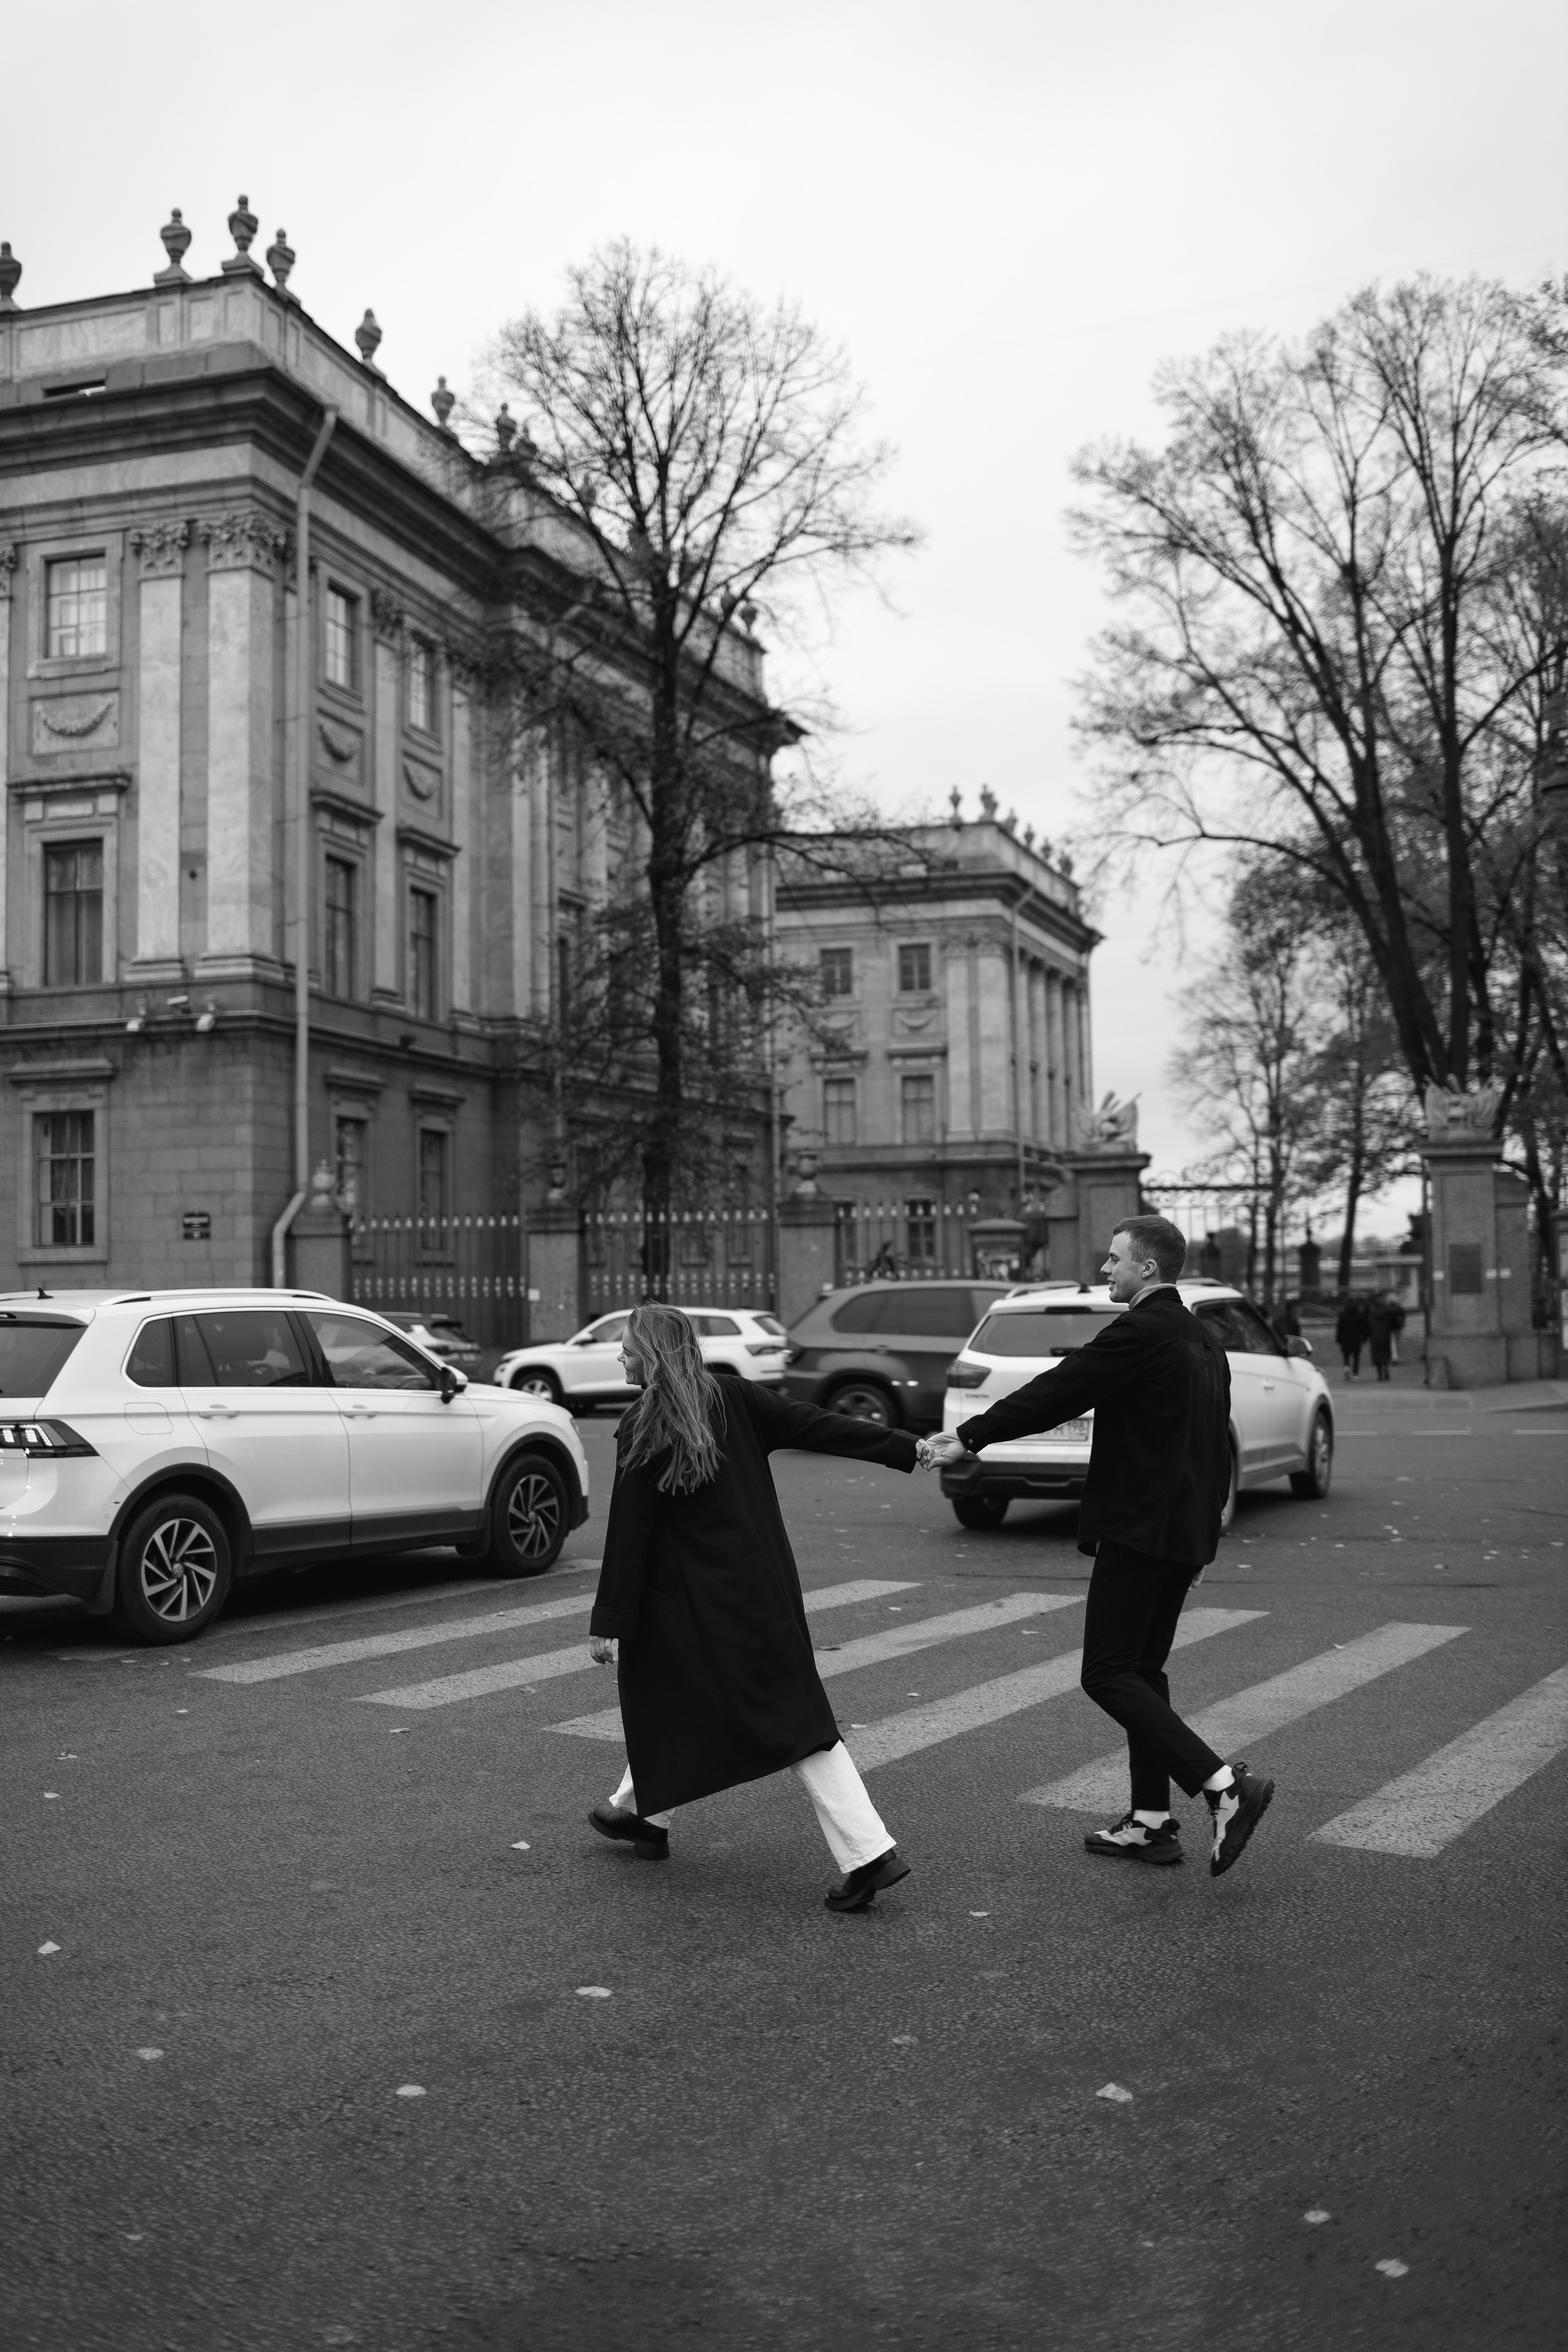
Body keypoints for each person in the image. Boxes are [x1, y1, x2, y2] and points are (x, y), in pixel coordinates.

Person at [921, 1216, 1274, 1876]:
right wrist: (1202, 1541)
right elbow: (1211, 1443)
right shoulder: (1203, 1340)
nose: (1104, 1270)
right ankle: (1149, 1822)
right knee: (1142, 1673)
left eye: (1114, 1260)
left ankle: (1224, 1788)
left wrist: (968, 1437)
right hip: (1181, 1533)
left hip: (1138, 1530)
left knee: (1107, 1673)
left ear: (1146, 1268)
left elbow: (1060, 1392)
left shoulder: (1140, 1331)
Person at [586, 1302, 916, 1914]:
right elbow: (822, 1426)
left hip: (688, 1611)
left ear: (650, 1354)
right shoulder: (737, 1398)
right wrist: (907, 1448)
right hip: (760, 1596)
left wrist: (610, 1622)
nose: (619, 1355)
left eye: (627, 1345)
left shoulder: (644, 1424)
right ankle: (640, 1816)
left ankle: (869, 1853)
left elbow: (628, 1534)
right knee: (674, 1702)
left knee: (796, 1729)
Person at [1335, 1295, 1368, 1381]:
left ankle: (1347, 1367)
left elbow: (1340, 1328)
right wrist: (1364, 1338)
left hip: (1345, 1339)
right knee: (1356, 1357)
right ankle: (1356, 1375)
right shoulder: (1359, 1315)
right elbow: (1363, 1327)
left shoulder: (1342, 1315)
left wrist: (1338, 1338)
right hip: (1356, 1338)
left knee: (1346, 1355)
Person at [1366, 1292, 1396, 1383]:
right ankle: (1386, 1368)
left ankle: (1379, 1374)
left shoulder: (1372, 1312)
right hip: (1385, 1335)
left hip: (1375, 1336)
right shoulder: (1387, 1311)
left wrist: (1368, 1334)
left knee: (1377, 1354)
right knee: (1385, 1352)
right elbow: (1392, 1323)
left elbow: (1368, 1324)